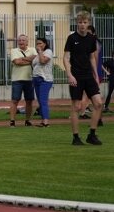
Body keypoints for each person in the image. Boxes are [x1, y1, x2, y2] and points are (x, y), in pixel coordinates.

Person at [63, 11, 103, 146]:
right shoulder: (71, 38)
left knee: (98, 103)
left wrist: (96, 75)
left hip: (89, 76)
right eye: (80, 22)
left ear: (88, 24)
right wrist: (69, 75)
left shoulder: (91, 39)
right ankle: (75, 137)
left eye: (85, 22)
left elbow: (92, 57)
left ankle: (91, 135)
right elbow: (66, 58)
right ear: (77, 23)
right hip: (76, 76)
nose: (82, 25)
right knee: (77, 107)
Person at [9, 34, 37, 127]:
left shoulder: (32, 49)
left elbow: (35, 59)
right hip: (17, 79)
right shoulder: (14, 50)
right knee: (15, 100)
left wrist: (22, 59)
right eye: (19, 40)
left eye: (23, 40)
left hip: (29, 79)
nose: (21, 42)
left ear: (27, 42)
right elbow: (17, 62)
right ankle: (12, 121)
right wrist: (29, 60)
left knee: (29, 101)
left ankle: (28, 120)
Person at [31, 37, 54, 127]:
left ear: (45, 44)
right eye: (37, 44)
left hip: (45, 79)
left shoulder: (48, 52)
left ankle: (46, 121)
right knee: (40, 101)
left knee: (43, 100)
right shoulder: (37, 55)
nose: (38, 45)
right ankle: (43, 120)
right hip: (36, 79)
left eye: (40, 43)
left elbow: (43, 61)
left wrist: (40, 51)